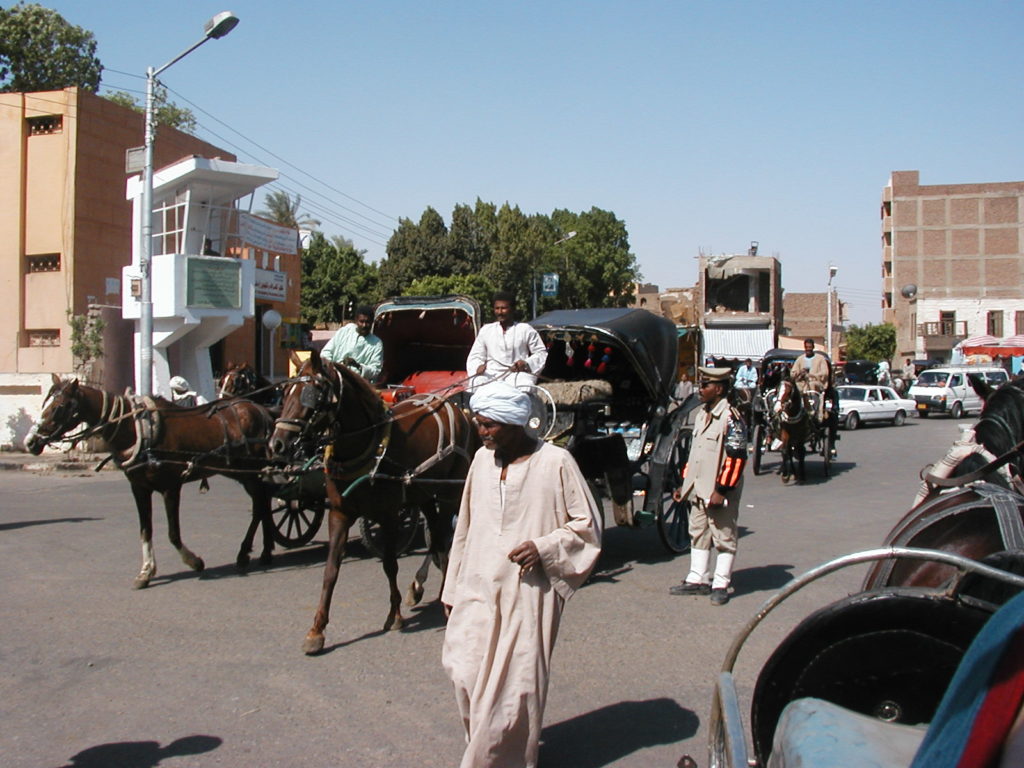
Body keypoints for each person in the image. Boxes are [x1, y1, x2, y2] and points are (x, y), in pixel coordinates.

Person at [441, 381, 602, 768]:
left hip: (528, 593)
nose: (482, 431)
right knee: (463, 671)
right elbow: (465, 525)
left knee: (514, 690)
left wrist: (544, 547)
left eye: (490, 424)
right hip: (476, 586)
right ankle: (488, 748)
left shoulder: (556, 463)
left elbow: (588, 528)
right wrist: (451, 588)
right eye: (479, 423)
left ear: (516, 423)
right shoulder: (481, 461)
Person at [668, 367, 747, 606]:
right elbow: (695, 454)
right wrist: (685, 484)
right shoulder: (702, 414)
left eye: (705, 385)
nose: (700, 390)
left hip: (718, 489)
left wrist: (721, 490)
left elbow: (736, 456)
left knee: (723, 535)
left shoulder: (731, 417)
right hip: (698, 488)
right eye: (700, 385)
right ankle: (697, 578)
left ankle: (721, 583)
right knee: (698, 532)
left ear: (719, 389)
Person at [465, 291, 547, 390]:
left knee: (525, 384)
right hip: (491, 376)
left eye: (503, 308)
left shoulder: (525, 329)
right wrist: (477, 367)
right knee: (477, 382)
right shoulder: (486, 330)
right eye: (497, 308)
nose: (500, 312)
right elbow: (475, 356)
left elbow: (541, 353)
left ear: (512, 309)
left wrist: (526, 363)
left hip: (516, 375)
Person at [320, 305, 383, 382]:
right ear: (356, 320)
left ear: (372, 322)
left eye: (367, 322)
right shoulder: (345, 331)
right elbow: (325, 352)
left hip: (357, 383)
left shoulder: (376, 343)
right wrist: (333, 367)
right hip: (334, 377)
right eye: (361, 321)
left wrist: (358, 366)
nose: (364, 325)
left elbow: (375, 370)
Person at [790, 338, 830, 421]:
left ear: (813, 347)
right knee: (793, 389)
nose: (808, 349)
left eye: (810, 347)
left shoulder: (820, 359)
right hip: (801, 383)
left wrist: (812, 375)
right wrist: (800, 372)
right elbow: (792, 373)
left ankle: (814, 411)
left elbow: (825, 373)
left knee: (812, 386)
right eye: (806, 347)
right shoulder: (800, 359)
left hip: (815, 383)